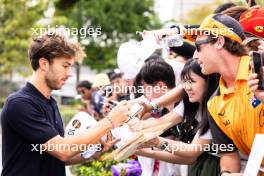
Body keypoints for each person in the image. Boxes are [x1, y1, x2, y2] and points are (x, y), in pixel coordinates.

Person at [0, 33, 130, 176]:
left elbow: (58, 156)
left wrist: (92, 153)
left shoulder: (51, 103)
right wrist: (110, 121)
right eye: (65, 66)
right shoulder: (19, 104)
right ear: (44, 64)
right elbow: (64, 151)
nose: (69, 74)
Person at [192, 13, 264, 175]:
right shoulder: (214, 104)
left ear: (219, 41)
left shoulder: (260, 72)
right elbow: (227, 154)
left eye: (198, 47)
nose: (195, 56)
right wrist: (227, 174)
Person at [136, 59, 221, 176]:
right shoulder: (189, 104)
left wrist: (155, 142)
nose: (187, 87)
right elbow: (162, 122)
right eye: (184, 82)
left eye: (191, 81)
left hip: (216, 165)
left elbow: (192, 153)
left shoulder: (214, 108)